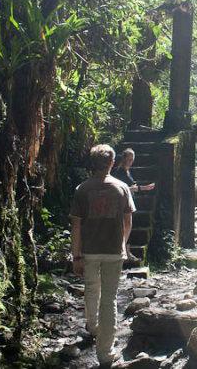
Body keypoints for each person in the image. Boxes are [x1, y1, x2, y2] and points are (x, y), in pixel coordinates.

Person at [70, 144, 135, 366]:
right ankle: (105, 353)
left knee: (91, 289)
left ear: (93, 162)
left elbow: (76, 226)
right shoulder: (122, 188)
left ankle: (93, 326)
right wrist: (124, 245)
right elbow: (128, 221)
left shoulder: (82, 189)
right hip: (113, 252)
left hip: (89, 251)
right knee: (109, 299)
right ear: (112, 163)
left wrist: (75, 256)